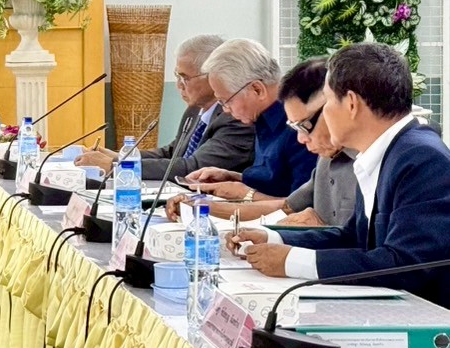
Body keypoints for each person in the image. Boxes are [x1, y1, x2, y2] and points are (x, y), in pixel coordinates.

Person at [228, 43, 450, 307]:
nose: (326, 113)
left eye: (329, 100)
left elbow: (405, 265)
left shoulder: (422, 158)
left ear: (352, 104)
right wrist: (275, 238)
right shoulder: (384, 152)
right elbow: (353, 238)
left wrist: (292, 261)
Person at [166, 57, 357, 227]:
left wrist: (244, 194)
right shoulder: (325, 159)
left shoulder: (355, 157)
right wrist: (199, 205)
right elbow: (288, 207)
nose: (301, 138)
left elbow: (335, 234)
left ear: (350, 105)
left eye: (303, 126)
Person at [77, 34, 253, 180]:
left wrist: (116, 166)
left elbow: (194, 167)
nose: (179, 85)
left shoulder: (236, 117)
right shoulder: (194, 110)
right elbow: (172, 153)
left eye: (185, 78)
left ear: (213, 76)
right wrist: (120, 157)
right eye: (177, 76)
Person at [183, 38, 315, 200]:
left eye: (226, 101)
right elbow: (273, 182)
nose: (225, 110)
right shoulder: (260, 117)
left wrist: (246, 195)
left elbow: (302, 204)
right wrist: (233, 177)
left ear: (257, 89)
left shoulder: (299, 124)